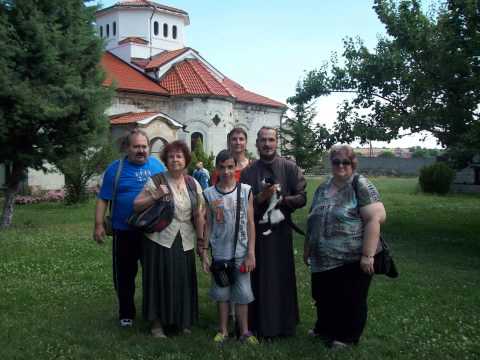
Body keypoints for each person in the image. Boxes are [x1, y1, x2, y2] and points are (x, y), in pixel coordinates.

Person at [304, 145, 386, 348]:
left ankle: (347, 337)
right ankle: (324, 328)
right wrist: (308, 247)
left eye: (345, 162)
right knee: (323, 296)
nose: (340, 165)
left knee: (351, 299)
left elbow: (376, 218)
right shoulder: (323, 187)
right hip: (322, 258)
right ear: (331, 164)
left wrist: (368, 255)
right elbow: (313, 218)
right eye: (336, 162)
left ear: (353, 164)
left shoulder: (360, 184)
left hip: (351, 257)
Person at [93, 128, 165, 328]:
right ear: (127, 148)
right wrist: (99, 225)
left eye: (144, 146)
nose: (141, 150)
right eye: (136, 147)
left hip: (152, 230)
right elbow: (103, 199)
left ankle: (155, 312)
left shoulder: (158, 166)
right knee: (125, 275)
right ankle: (126, 313)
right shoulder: (114, 170)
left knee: (154, 273)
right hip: (123, 231)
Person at [133, 140, 205, 338]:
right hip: (159, 238)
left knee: (182, 280)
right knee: (159, 280)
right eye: (171, 156)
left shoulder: (193, 183)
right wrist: (155, 195)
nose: (175, 159)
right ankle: (157, 325)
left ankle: (182, 321)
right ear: (166, 160)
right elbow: (137, 205)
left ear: (186, 160)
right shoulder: (156, 180)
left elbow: (199, 215)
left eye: (179, 156)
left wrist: (201, 243)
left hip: (185, 239)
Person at [240, 126, 307, 338]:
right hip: (257, 234)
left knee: (281, 277)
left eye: (271, 140)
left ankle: (284, 325)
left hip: (281, 232)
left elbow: (302, 197)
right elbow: (245, 205)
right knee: (260, 278)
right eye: (263, 140)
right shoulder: (248, 172)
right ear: (257, 143)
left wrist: (281, 199)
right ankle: (259, 324)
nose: (267, 144)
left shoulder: (289, 167)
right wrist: (262, 197)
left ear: (276, 142)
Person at [200, 150, 258, 344]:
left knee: (242, 293)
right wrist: (205, 252)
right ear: (216, 169)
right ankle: (223, 330)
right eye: (222, 167)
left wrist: (251, 252)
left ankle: (244, 331)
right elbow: (207, 224)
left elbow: (250, 223)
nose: (226, 171)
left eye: (230, 167)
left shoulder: (245, 190)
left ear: (236, 168)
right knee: (222, 294)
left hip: (241, 251)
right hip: (219, 253)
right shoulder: (209, 193)